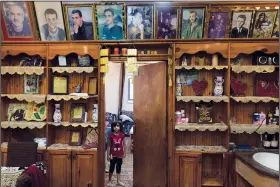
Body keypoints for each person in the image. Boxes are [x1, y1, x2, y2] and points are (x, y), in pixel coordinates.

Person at [107, 121, 126, 187]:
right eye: (114, 126)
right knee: (111, 167)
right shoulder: (111, 136)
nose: (116, 127)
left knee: (119, 167)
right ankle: (109, 180)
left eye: (118, 126)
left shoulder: (122, 135)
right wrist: (108, 155)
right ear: (112, 127)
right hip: (113, 155)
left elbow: (124, 144)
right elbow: (109, 146)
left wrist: (125, 153)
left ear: (120, 127)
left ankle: (118, 181)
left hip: (120, 154)